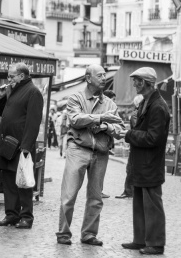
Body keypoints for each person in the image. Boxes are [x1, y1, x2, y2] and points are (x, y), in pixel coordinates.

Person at [56, 64, 125, 246]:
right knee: (69, 195)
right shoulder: (76, 98)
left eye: (104, 75)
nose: (104, 78)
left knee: (95, 198)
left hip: (101, 152)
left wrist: (105, 127)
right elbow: (75, 119)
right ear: (88, 78)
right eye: (100, 75)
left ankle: (89, 234)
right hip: (78, 149)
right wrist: (101, 118)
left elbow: (119, 129)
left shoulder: (110, 104)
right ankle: (63, 233)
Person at [120, 67, 170, 255]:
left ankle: (156, 244)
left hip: (150, 164)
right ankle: (140, 239)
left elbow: (153, 138)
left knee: (152, 206)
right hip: (142, 163)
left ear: (145, 82)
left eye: (136, 81)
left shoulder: (157, 106)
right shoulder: (147, 102)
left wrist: (128, 134)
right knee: (140, 203)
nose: (134, 84)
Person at [0, 62, 44, 229]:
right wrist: (0, 97)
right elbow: (4, 113)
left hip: (21, 146)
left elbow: (33, 122)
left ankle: (26, 217)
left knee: (23, 182)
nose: (8, 79)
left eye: (11, 76)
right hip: (8, 145)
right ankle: (11, 215)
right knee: (8, 181)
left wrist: (26, 147)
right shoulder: (13, 90)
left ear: (21, 76)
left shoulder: (33, 92)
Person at [115, 94, 144, 199]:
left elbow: (137, 130)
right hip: (142, 145)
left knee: (130, 169)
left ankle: (128, 191)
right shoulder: (147, 113)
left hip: (136, 145)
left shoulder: (136, 114)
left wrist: (128, 134)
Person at [101, 90, 118, 199]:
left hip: (105, 143)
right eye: (113, 99)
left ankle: (97, 190)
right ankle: (98, 191)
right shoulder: (106, 110)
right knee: (100, 170)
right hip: (102, 144)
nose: (114, 102)